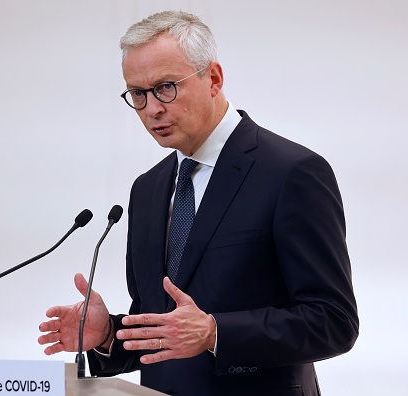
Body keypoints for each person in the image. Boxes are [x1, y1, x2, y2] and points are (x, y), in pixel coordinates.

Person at [38, 10, 358, 396]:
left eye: (166, 87)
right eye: (138, 94)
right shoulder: (148, 188)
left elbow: (334, 321)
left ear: (214, 79)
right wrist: (108, 334)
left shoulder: (292, 172)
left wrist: (215, 333)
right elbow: (161, 326)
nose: (152, 108)